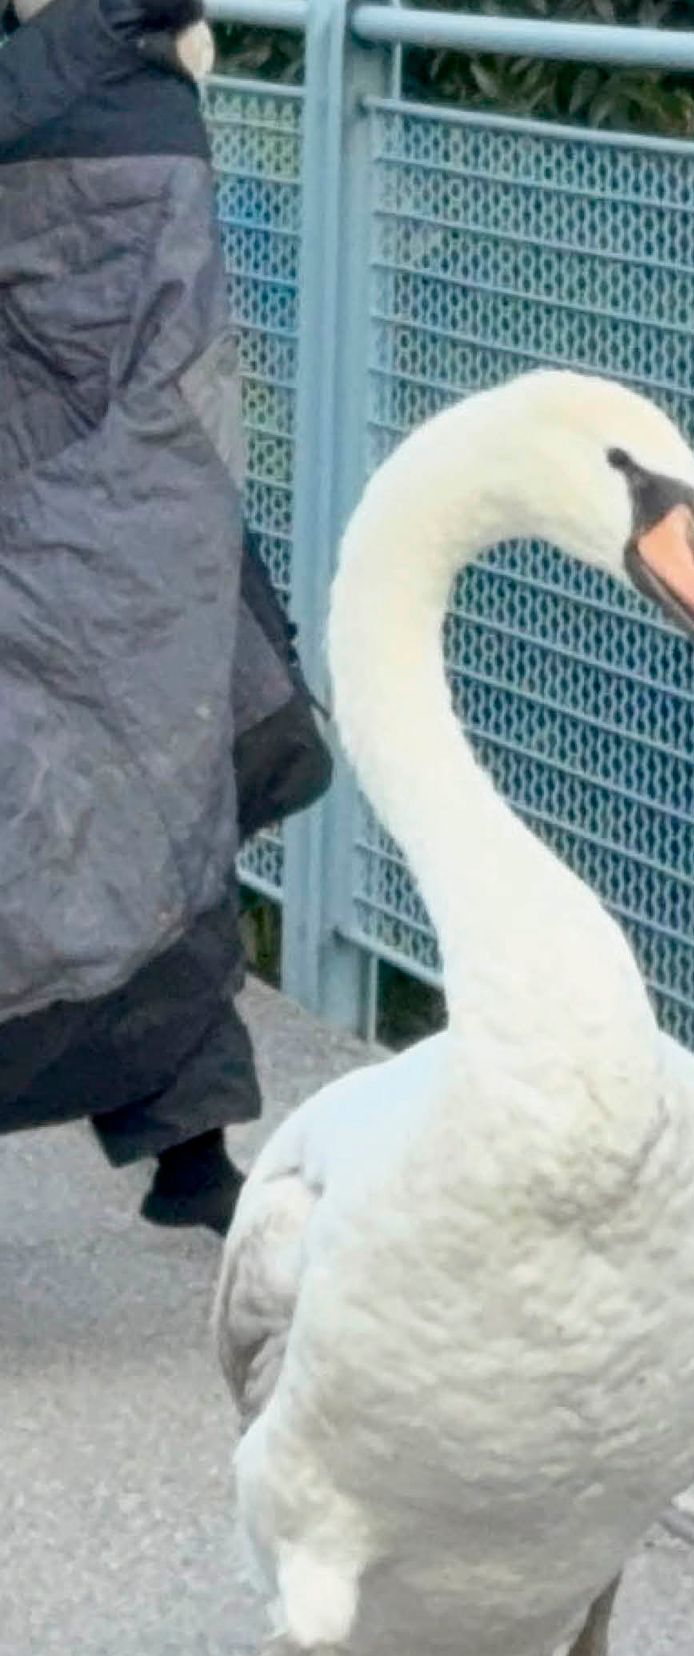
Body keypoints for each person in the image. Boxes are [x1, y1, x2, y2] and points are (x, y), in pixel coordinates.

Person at [0, 0, 321, 1234]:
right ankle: (192, 1138)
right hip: (128, 168)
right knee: (158, 692)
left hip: (87, 164)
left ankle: (192, 1132)